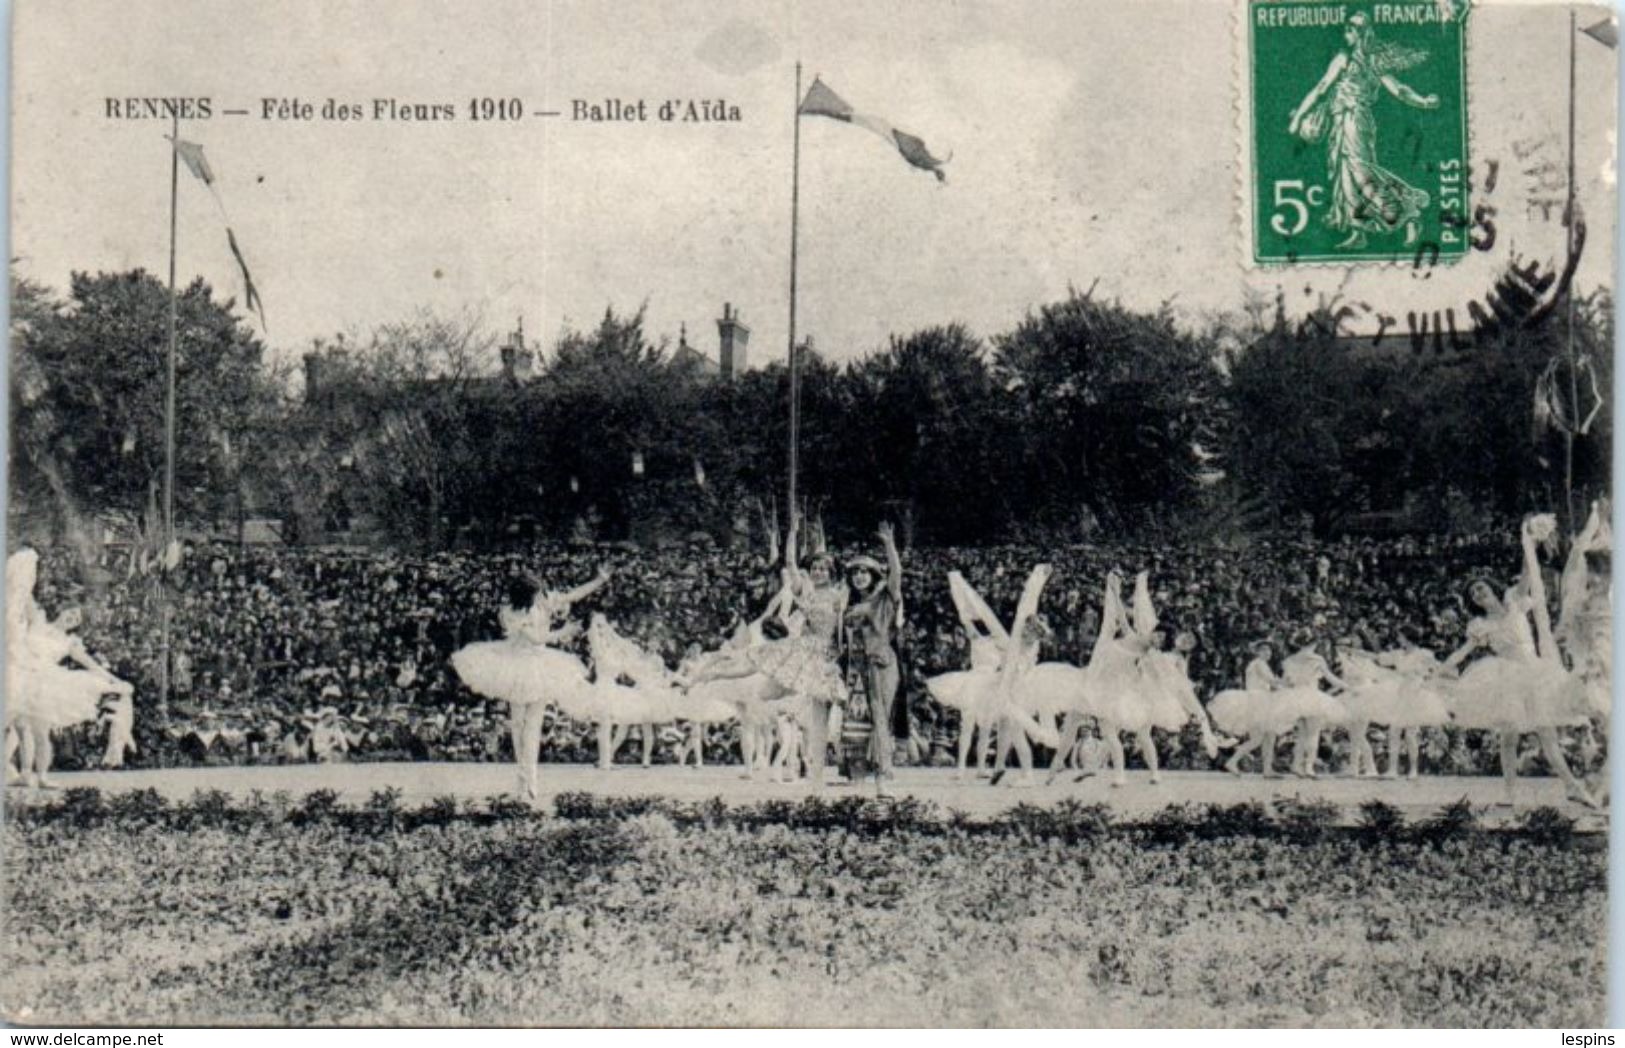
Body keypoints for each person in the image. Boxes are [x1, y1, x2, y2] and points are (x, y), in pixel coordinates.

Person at [1442, 514, 1594, 806]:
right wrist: (1444, 667)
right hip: (1506, 676)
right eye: (1473, 594)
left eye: (1481, 588)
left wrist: (1529, 539)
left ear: (1491, 587)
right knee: (1508, 736)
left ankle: (1573, 786)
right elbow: (1464, 651)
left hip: (1534, 671)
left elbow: (1528, 574)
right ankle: (1510, 794)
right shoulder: (1480, 625)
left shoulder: (1514, 600)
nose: (1479, 595)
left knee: (1546, 731)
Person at [449, 566, 610, 800]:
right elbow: (536, 639)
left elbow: (572, 595)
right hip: (516, 665)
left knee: (532, 726)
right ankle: (523, 777)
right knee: (518, 725)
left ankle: (530, 779)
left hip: (539, 666)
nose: (541, 595)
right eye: (536, 592)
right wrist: (566, 630)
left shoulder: (543, 601)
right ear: (525, 595)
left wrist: (599, 580)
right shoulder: (513, 612)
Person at [1287, 11, 1439, 249]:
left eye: (1351, 29)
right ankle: (1359, 232)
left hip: (1356, 121)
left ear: (1360, 33)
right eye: (1346, 29)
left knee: (1361, 173)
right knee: (1345, 176)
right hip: (1342, 121)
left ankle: (1408, 215)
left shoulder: (1359, 59)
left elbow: (1398, 89)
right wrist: (1300, 115)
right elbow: (1322, 88)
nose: (1346, 33)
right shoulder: (1360, 59)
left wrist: (1423, 102)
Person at [843, 522, 905, 790]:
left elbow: (896, 574)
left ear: (873, 575)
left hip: (881, 664)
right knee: (855, 722)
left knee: (880, 717)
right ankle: (857, 783)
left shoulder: (886, 599)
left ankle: (883, 779)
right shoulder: (850, 605)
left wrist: (889, 545)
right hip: (855, 667)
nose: (859, 576)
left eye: (864, 571)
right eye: (855, 572)